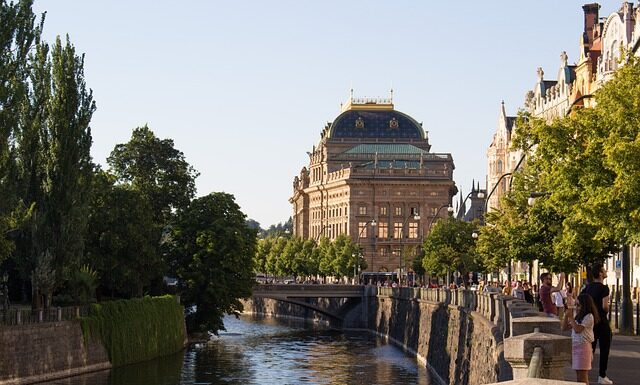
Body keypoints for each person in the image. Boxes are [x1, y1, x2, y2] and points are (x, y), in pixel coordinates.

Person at [582, 263, 613, 384]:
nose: (606, 272)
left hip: (590, 322)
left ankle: (585, 374)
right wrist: (607, 309)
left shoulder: (587, 287)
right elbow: (605, 306)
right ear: (600, 273)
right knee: (605, 349)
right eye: (604, 270)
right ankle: (602, 375)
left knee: (590, 349)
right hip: (602, 322)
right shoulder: (604, 288)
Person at [564, 293, 599, 385]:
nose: (577, 307)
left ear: (585, 305)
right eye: (576, 304)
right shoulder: (578, 316)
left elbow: (578, 329)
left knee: (582, 376)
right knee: (578, 375)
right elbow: (564, 328)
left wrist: (571, 317)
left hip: (583, 347)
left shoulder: (589, 316)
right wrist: (566, 316)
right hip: (575, 346)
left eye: (578, 305)